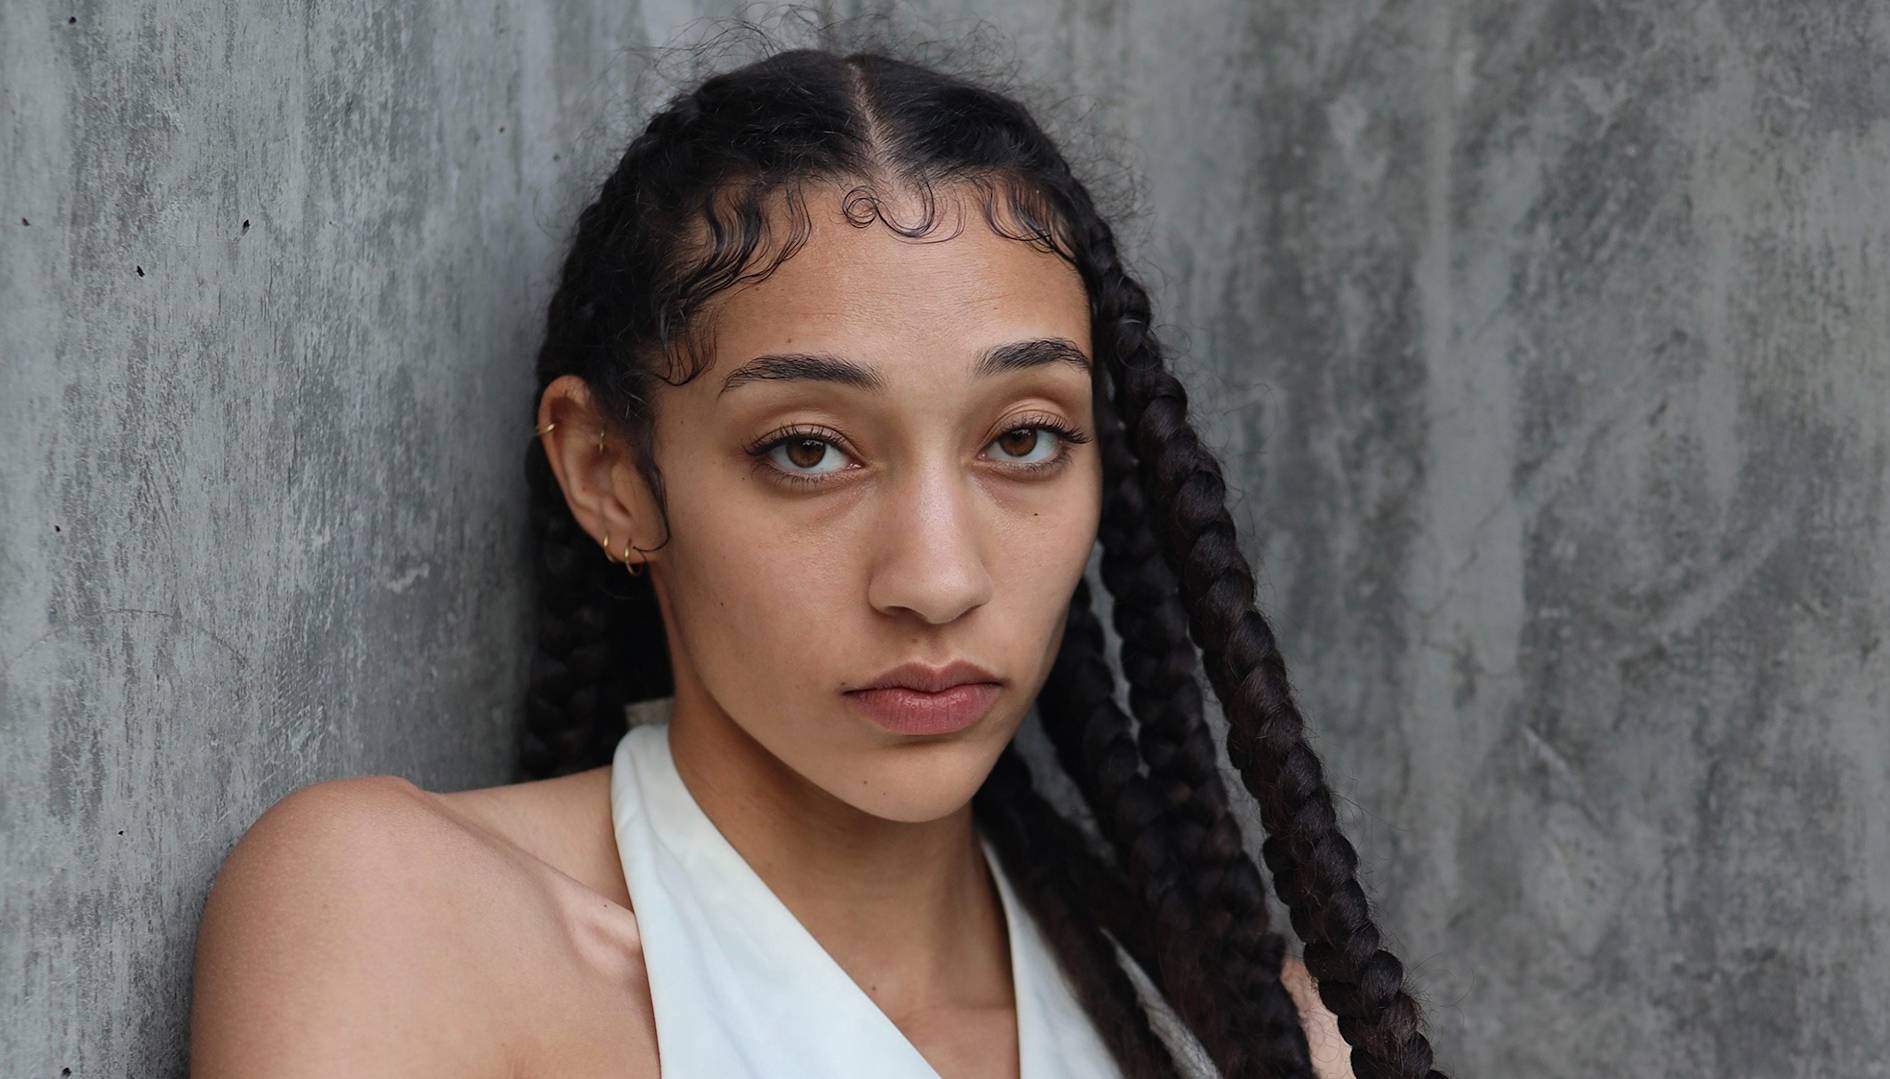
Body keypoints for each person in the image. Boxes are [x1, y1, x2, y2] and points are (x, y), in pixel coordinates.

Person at [188, 35, 1447, 1079]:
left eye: (1022, 437)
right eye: (808, 449)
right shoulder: (401, 918)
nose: (939, 578)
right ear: (610, 474)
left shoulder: (1264, 1040)